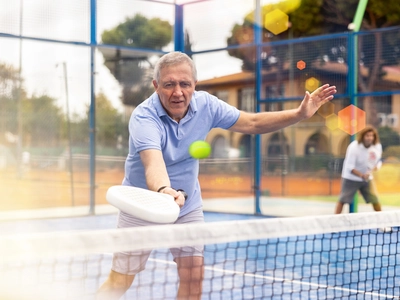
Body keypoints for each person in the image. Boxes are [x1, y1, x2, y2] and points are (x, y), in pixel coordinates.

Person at [97, 51, 337, 299]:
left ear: (194, 85)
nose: (177, 92)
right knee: (120, 281)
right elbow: (153, 163)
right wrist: (164, 192)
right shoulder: (143, 117)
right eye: (169, 84)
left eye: (184, 84)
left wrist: (298, 115)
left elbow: (252, 123)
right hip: (142, 205)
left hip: (186, 207)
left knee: (193, 276)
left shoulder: (207, 105)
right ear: (156, 86)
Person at [335, 125, 383, 214]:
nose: (370, 138)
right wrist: (361, 175)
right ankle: (333, 223)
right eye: (367, 136)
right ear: (363, 136)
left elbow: (378, 161)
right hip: (350, 179)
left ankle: (383, 223)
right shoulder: (354, 147)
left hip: (367, 179)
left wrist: (374, 169)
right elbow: (350, 167)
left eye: (372, 136)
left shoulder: (377, 146)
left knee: (375, 200)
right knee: (343, 200)